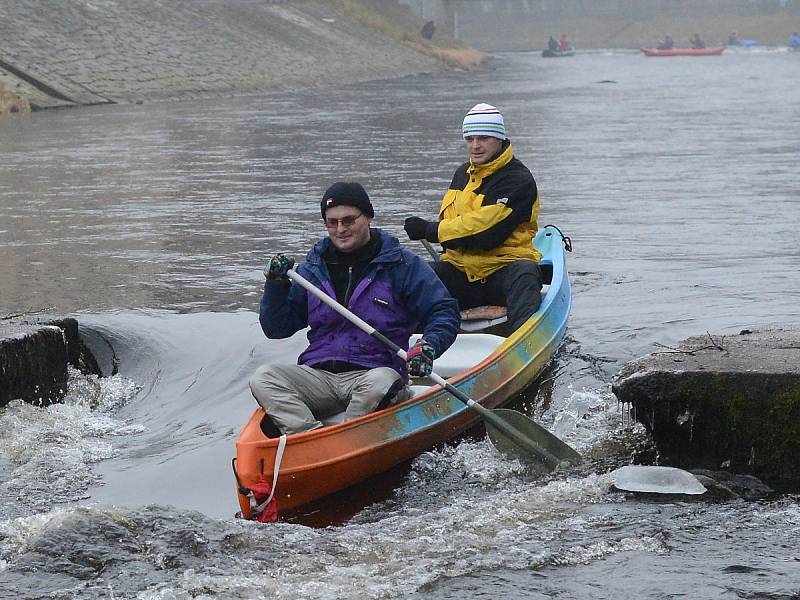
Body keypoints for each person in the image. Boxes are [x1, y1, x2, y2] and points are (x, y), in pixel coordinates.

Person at [250, 182, 459, 435]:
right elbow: (276, 328)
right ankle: (307, 439)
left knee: (382, 381)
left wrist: (428, 347)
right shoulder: (310, 271)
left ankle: (346, 442)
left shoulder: (403, 265)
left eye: (349, 220)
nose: (340, 229)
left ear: (368, 217)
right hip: (319, 376)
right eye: (332, 222)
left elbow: (443, 311)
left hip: (376, 373)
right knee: (263, 377)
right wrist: (276, 285)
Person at [403, 103, 543, 333]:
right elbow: (455, 224)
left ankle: (523, 340)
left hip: (504, 269)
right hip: (462, 271)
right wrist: (438, 233)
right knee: (416, 274)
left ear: (499, 139)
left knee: (525, 272)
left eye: (484, 138)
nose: (475, 146)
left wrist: (431, 230)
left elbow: (487, 234)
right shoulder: (462, 174)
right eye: (470, 139)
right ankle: (414, 341)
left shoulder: (518, 179)